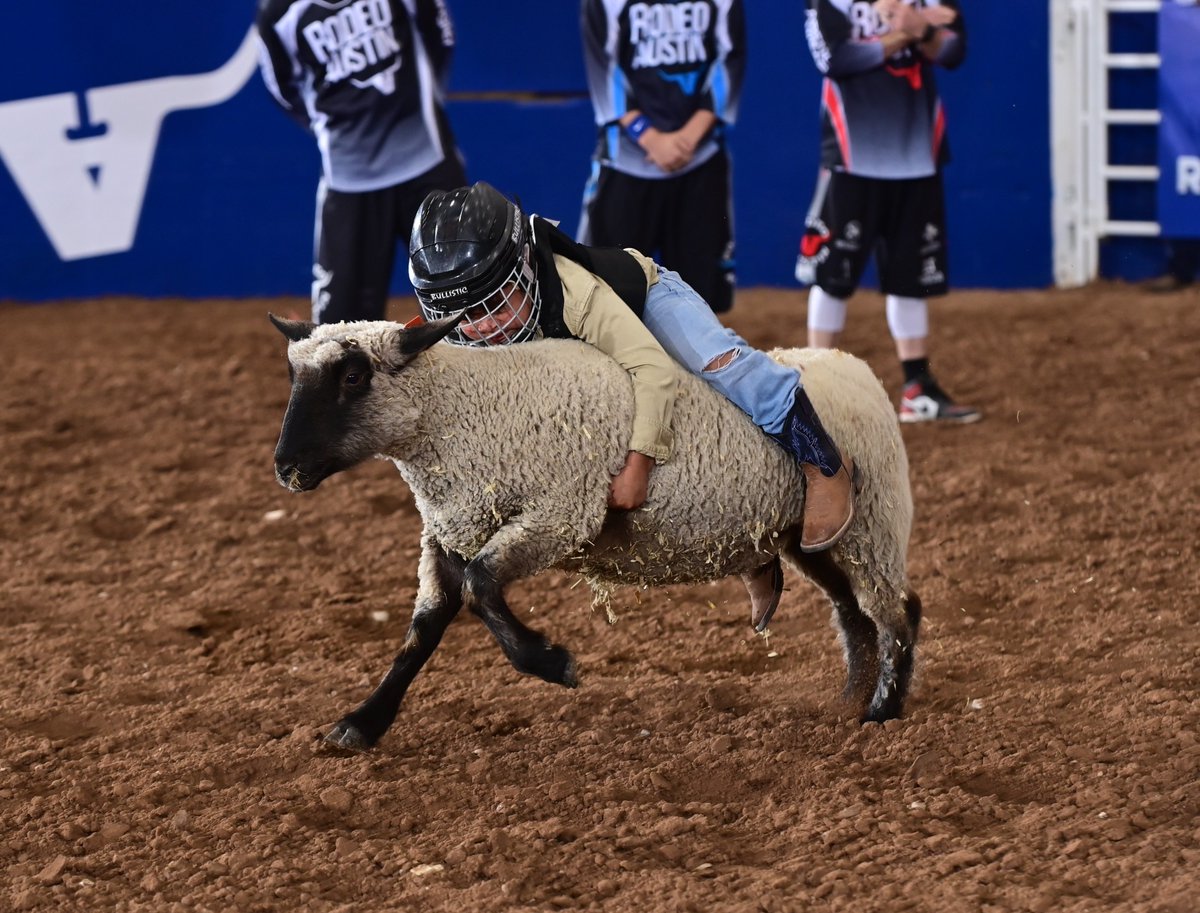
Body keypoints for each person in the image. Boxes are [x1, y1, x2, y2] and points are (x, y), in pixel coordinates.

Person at [407, 181, 854, 552]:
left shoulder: (578, 296)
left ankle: (824, 461)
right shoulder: (468, 325)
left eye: (497, 305)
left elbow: (653, 369)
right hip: (580, 345)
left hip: (645, 301)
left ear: (524, 265)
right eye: (465, 316)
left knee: (720, 365)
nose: (485, 328)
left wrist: (638, 465)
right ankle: (752, 554)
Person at [797, 0, 981, 424]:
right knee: (833, 275)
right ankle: (817, 390)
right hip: (851, 155)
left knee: (911, 278)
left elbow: (953, 52)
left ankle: (918, 389)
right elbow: (837, 59)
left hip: (918, 154)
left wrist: (925, 31)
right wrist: (913, 31)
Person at [255, 0, 467, 325]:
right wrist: (333, 134)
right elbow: (283, 89)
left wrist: (425, 100)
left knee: (469, 298)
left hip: (427, 162)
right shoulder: (278, 12)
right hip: (348, 179)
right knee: (341, 330)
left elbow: (440, 36)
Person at [576, 0, 745, 314]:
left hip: (701, 162)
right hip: (625, 164)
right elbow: (603, 66)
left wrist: (689, 137)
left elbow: (730, 60)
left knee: (701, 296)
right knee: (605, 293)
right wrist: (650, 137)